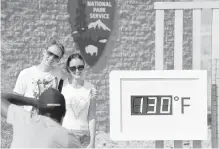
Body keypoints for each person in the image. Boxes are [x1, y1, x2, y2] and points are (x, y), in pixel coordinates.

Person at [1, 88, 81, 148]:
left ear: (37, 111)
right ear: (64, 113)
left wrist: (35, 102)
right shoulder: (69, 139)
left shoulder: (23, 119)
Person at [13, 39, 65, 112]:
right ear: (44, 52)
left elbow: (73, 78)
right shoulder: (26, 73)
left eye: (56, 57)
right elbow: (16, 99)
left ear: (58, 60)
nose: (51, 58)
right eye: (50, 53)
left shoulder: (59, 73)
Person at [61, 53, 98, 148]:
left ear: (84, 67)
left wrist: (93, 142)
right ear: (68, 69)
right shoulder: (62, 86)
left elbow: (92, 115)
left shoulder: (91, 88)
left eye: (80, 67)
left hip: (85, 136)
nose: (77, 70)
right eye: (73, 68)